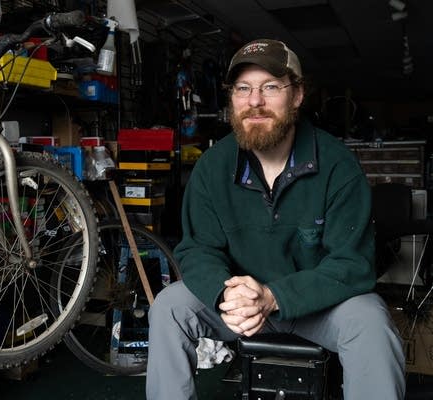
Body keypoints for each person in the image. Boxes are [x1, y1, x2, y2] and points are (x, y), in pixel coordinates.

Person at [145, 38, 405, 400]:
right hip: (236, 307)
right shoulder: (211, 167)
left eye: (270, 87)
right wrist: (225, 293)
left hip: (317, 307)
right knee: (169, 307)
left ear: (297, 95)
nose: (255, 101)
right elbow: (197, 250)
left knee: (372, 323)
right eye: (243, 89)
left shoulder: (337, 164)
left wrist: (274, 296)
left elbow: (353, 263)